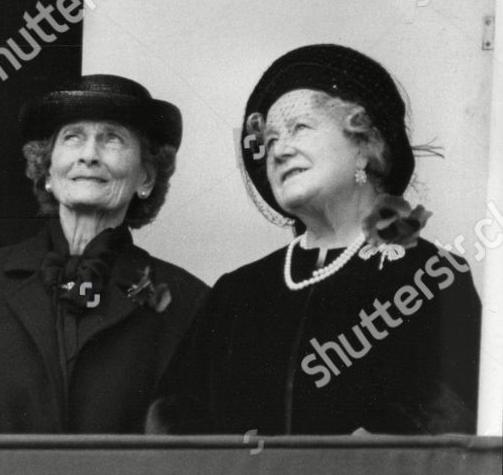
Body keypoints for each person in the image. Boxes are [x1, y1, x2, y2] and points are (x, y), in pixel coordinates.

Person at [150, 44, 481, 434]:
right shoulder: (236, 293)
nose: (279, 151)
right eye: (270, 141)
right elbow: (172, 420)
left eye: (300, 128)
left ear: (365, 144)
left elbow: (447, 419)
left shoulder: (430, 276)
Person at [0, 74, 207, 432]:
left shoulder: (189, 303)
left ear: (146, 177)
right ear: (46, 170)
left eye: (112, 139)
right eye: (73, 138)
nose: (89, 155)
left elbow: (187, 459)